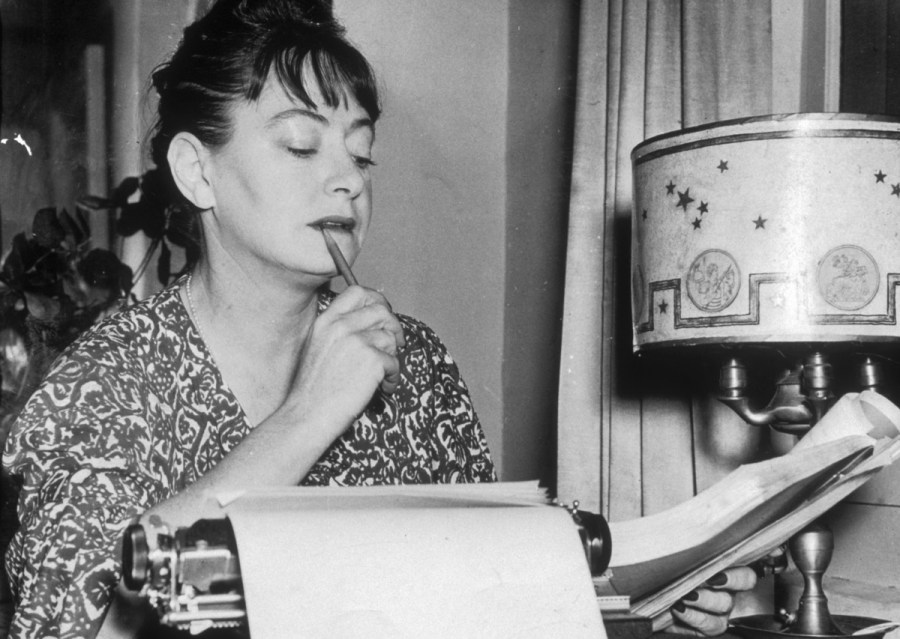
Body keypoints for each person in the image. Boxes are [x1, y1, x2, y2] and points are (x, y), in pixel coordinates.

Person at [1, 1, 754, 637]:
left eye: (361, 156)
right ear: (198, 171)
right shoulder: (99, 388)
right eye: (301, 145)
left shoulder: (416, 364)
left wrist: (630, 607)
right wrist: (310, 412)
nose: (346, 181)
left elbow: (486, 601)